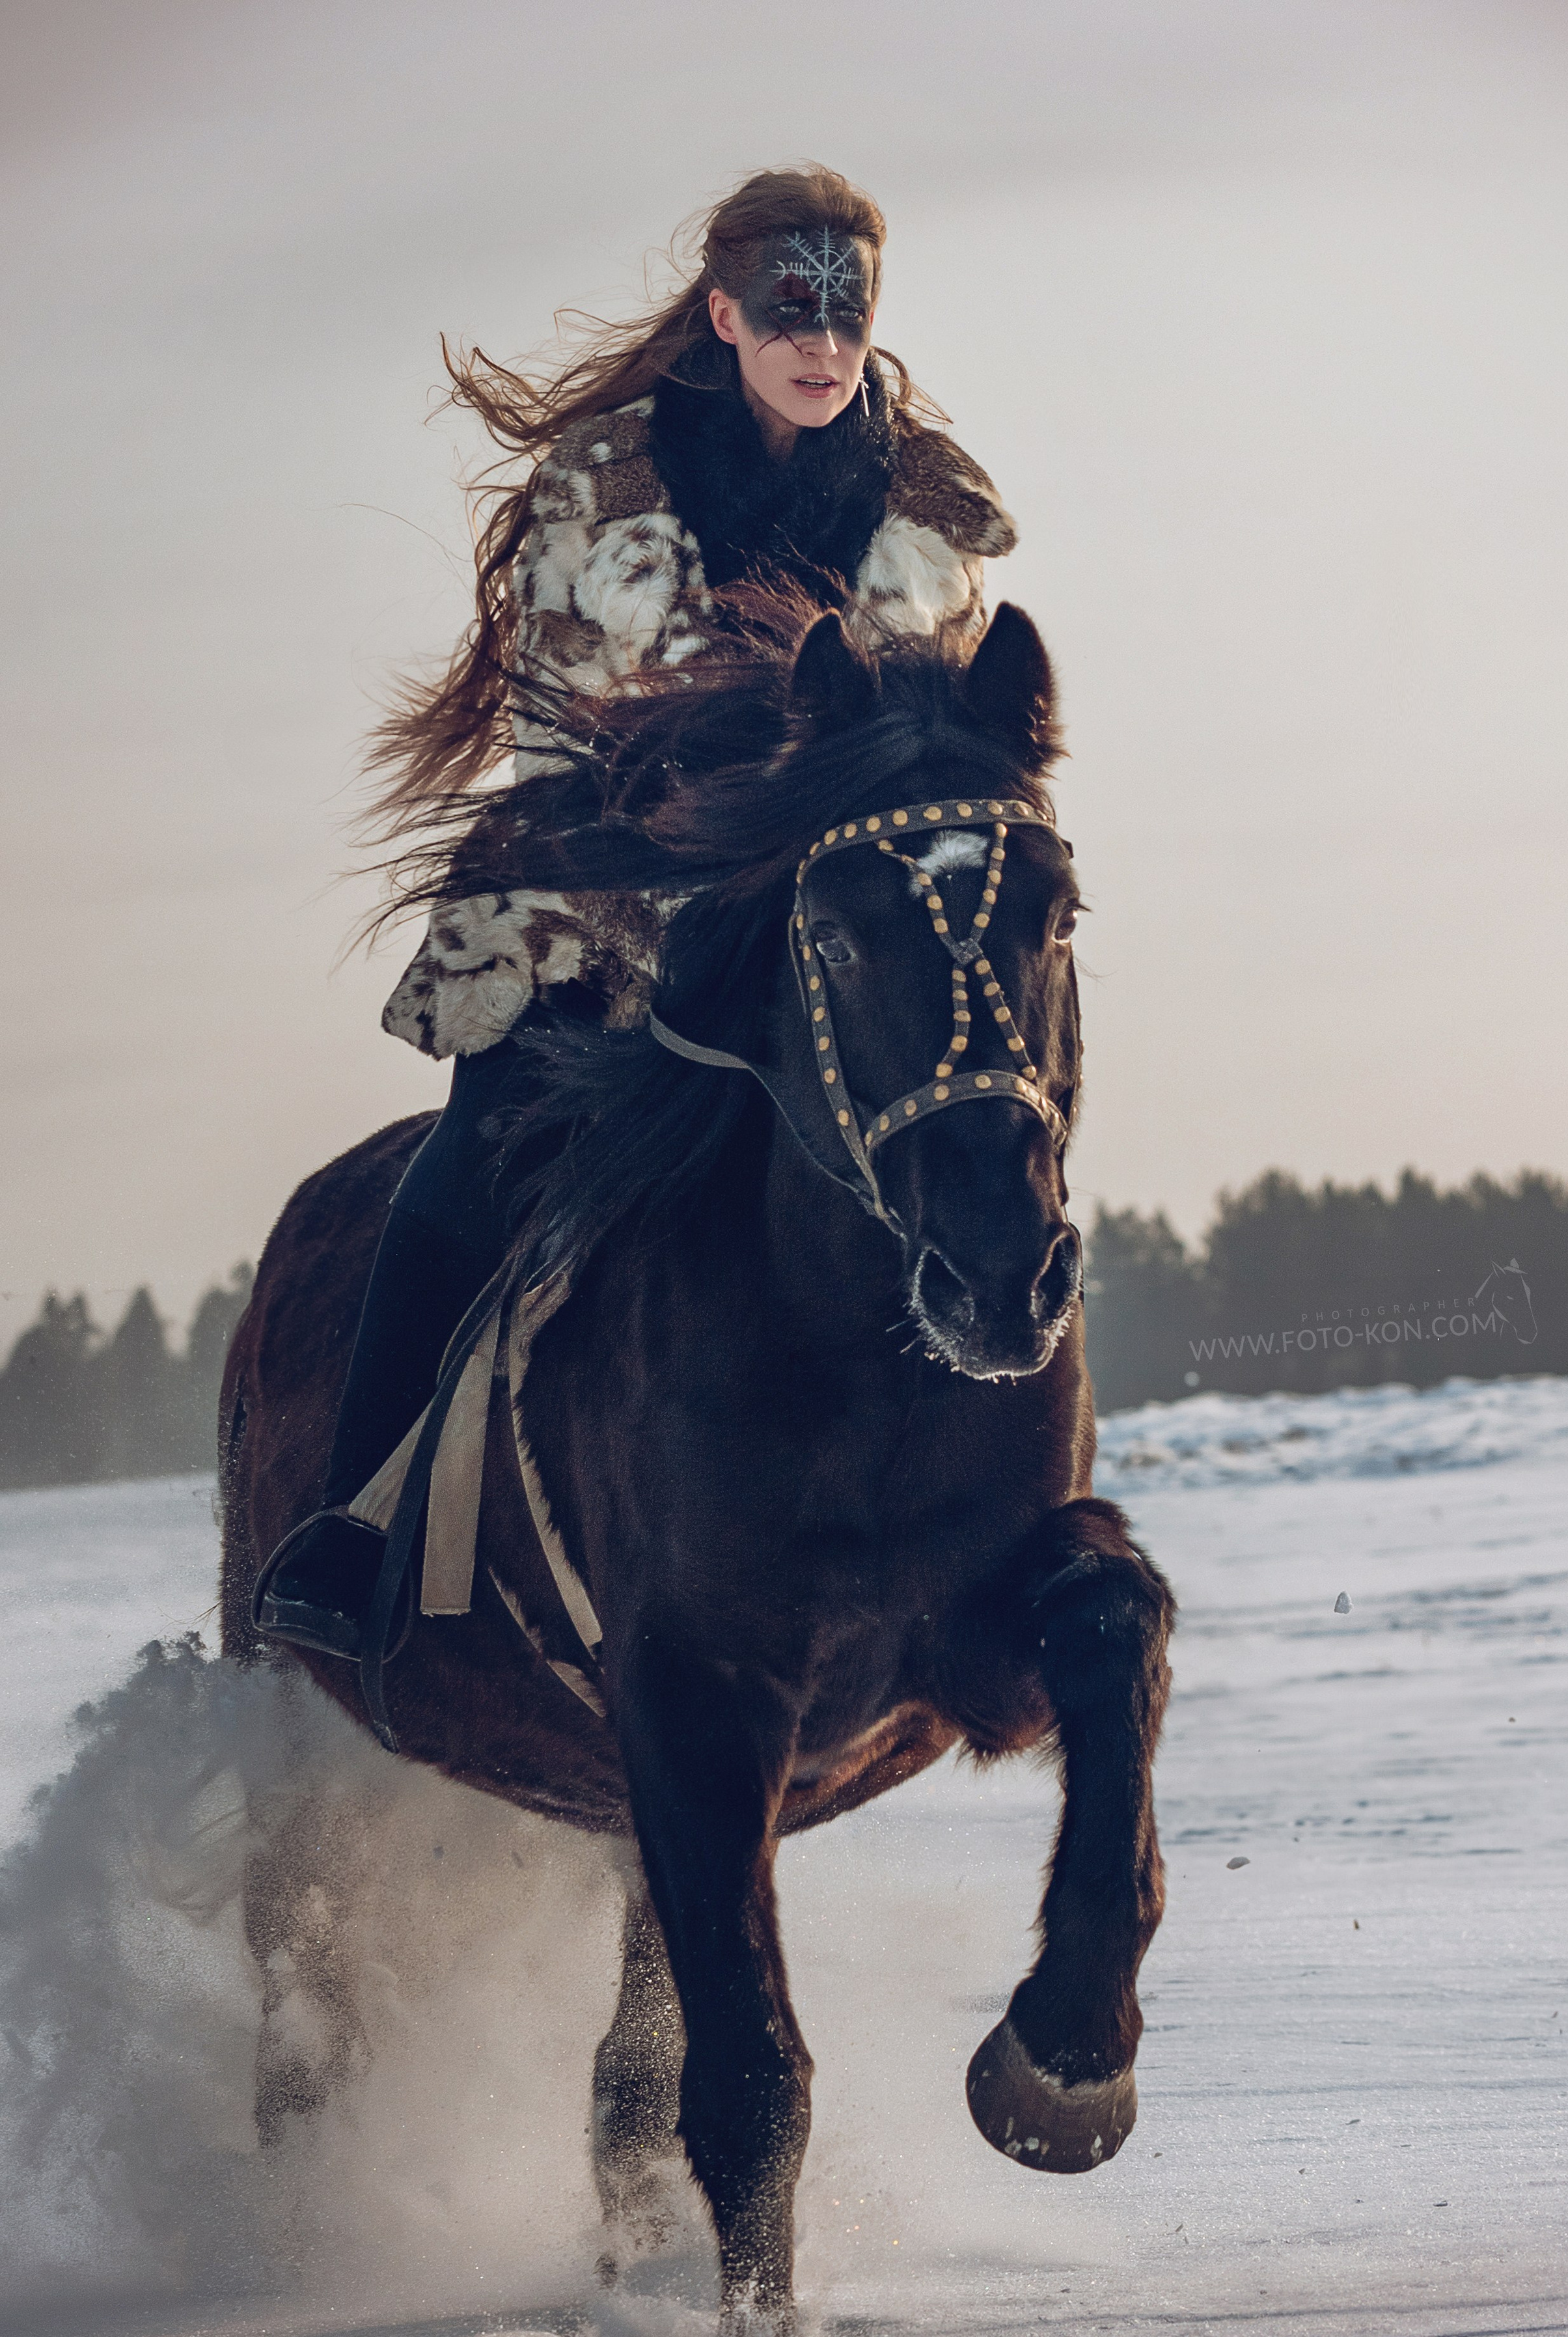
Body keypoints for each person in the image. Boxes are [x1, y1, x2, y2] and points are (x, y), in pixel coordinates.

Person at [258, 164, 1019, 1658]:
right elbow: (554, 720)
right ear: (725, 312)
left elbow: (950, 738)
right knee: (482, 1150)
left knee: (982, 1129)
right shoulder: (597, 485)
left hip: (842, 934)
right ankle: (347, 1534)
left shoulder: (936, 511)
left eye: (847, 307)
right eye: (789, 307)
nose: (821, 338)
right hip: (603, 900)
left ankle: (985, 1517)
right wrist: (675, 862)